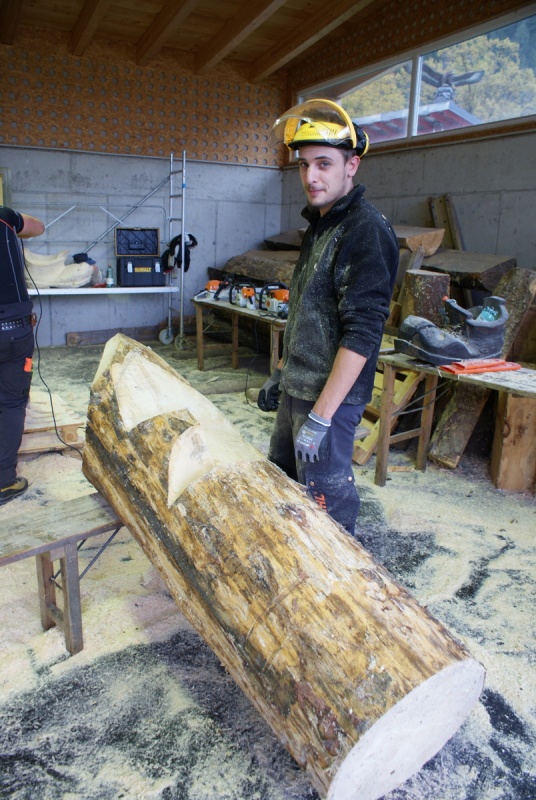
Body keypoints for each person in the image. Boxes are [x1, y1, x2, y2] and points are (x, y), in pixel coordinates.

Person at [258, 99, 399, 537]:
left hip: (329, 402)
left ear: (351, 165)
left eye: (324, 164)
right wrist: (283, 374)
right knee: (283, 486)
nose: (311, 177)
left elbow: (362, 334)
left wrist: (320, 417)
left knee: (327, 508)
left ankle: (342, 577)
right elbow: (308, 312)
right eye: (304, 165)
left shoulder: (364, 230)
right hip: (299, 388)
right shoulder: (321, 225)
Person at [0, 205, 45, 505]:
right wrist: (13, 223)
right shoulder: (3, 217)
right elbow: (37, 227)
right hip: (14, 330)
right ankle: (4, 482)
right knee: (12, 403)